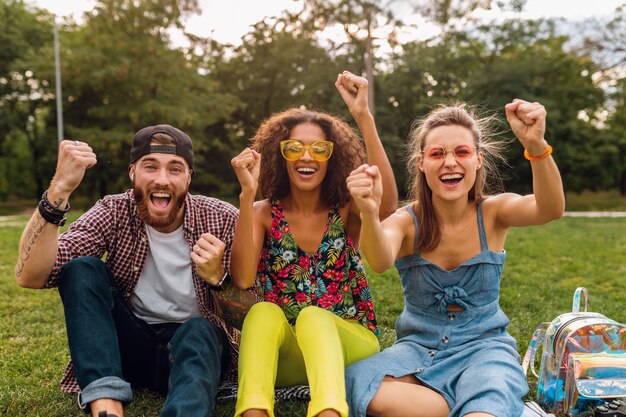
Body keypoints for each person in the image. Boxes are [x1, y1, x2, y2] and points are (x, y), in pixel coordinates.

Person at [344, 99, 565, 417]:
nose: (449, 162)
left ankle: (475, 405)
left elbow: (550, 209)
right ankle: (458, 406)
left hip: (484, 351)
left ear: (478, 159)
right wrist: (367, 209)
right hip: (417, 351)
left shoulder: (494, 212)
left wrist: (536, 146)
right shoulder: (407, 221)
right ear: (421, 163)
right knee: (356, 379)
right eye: (437, 153)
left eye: (461, 152)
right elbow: (379, 261)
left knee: (487, 400)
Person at [14, 125, 248, 417]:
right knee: (81, 269)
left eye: (175, 169)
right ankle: (106, 405)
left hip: (196, 352)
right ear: (132, 172)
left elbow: (251, 315)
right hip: (129, 351)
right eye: (150, 166)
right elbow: (31, 276)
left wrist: (218, 279)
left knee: (199, 330)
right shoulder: (113, 211)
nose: (162, 179)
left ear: (188, 177)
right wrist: (59, 188)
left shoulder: (222, 218)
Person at [229, 71, 399, 417]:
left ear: (331, 158)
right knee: (262, 312)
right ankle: (253, 412)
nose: (307, 156)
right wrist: (247, 195)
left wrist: (363, 117)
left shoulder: (347, 209)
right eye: (295, 147)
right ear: (281, 156)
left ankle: (329, 411)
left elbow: (387, 206)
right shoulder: (263, 214)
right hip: (292, 354)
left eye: (319, 148)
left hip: (349, 341)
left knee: (314, 318)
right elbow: (244, 279)